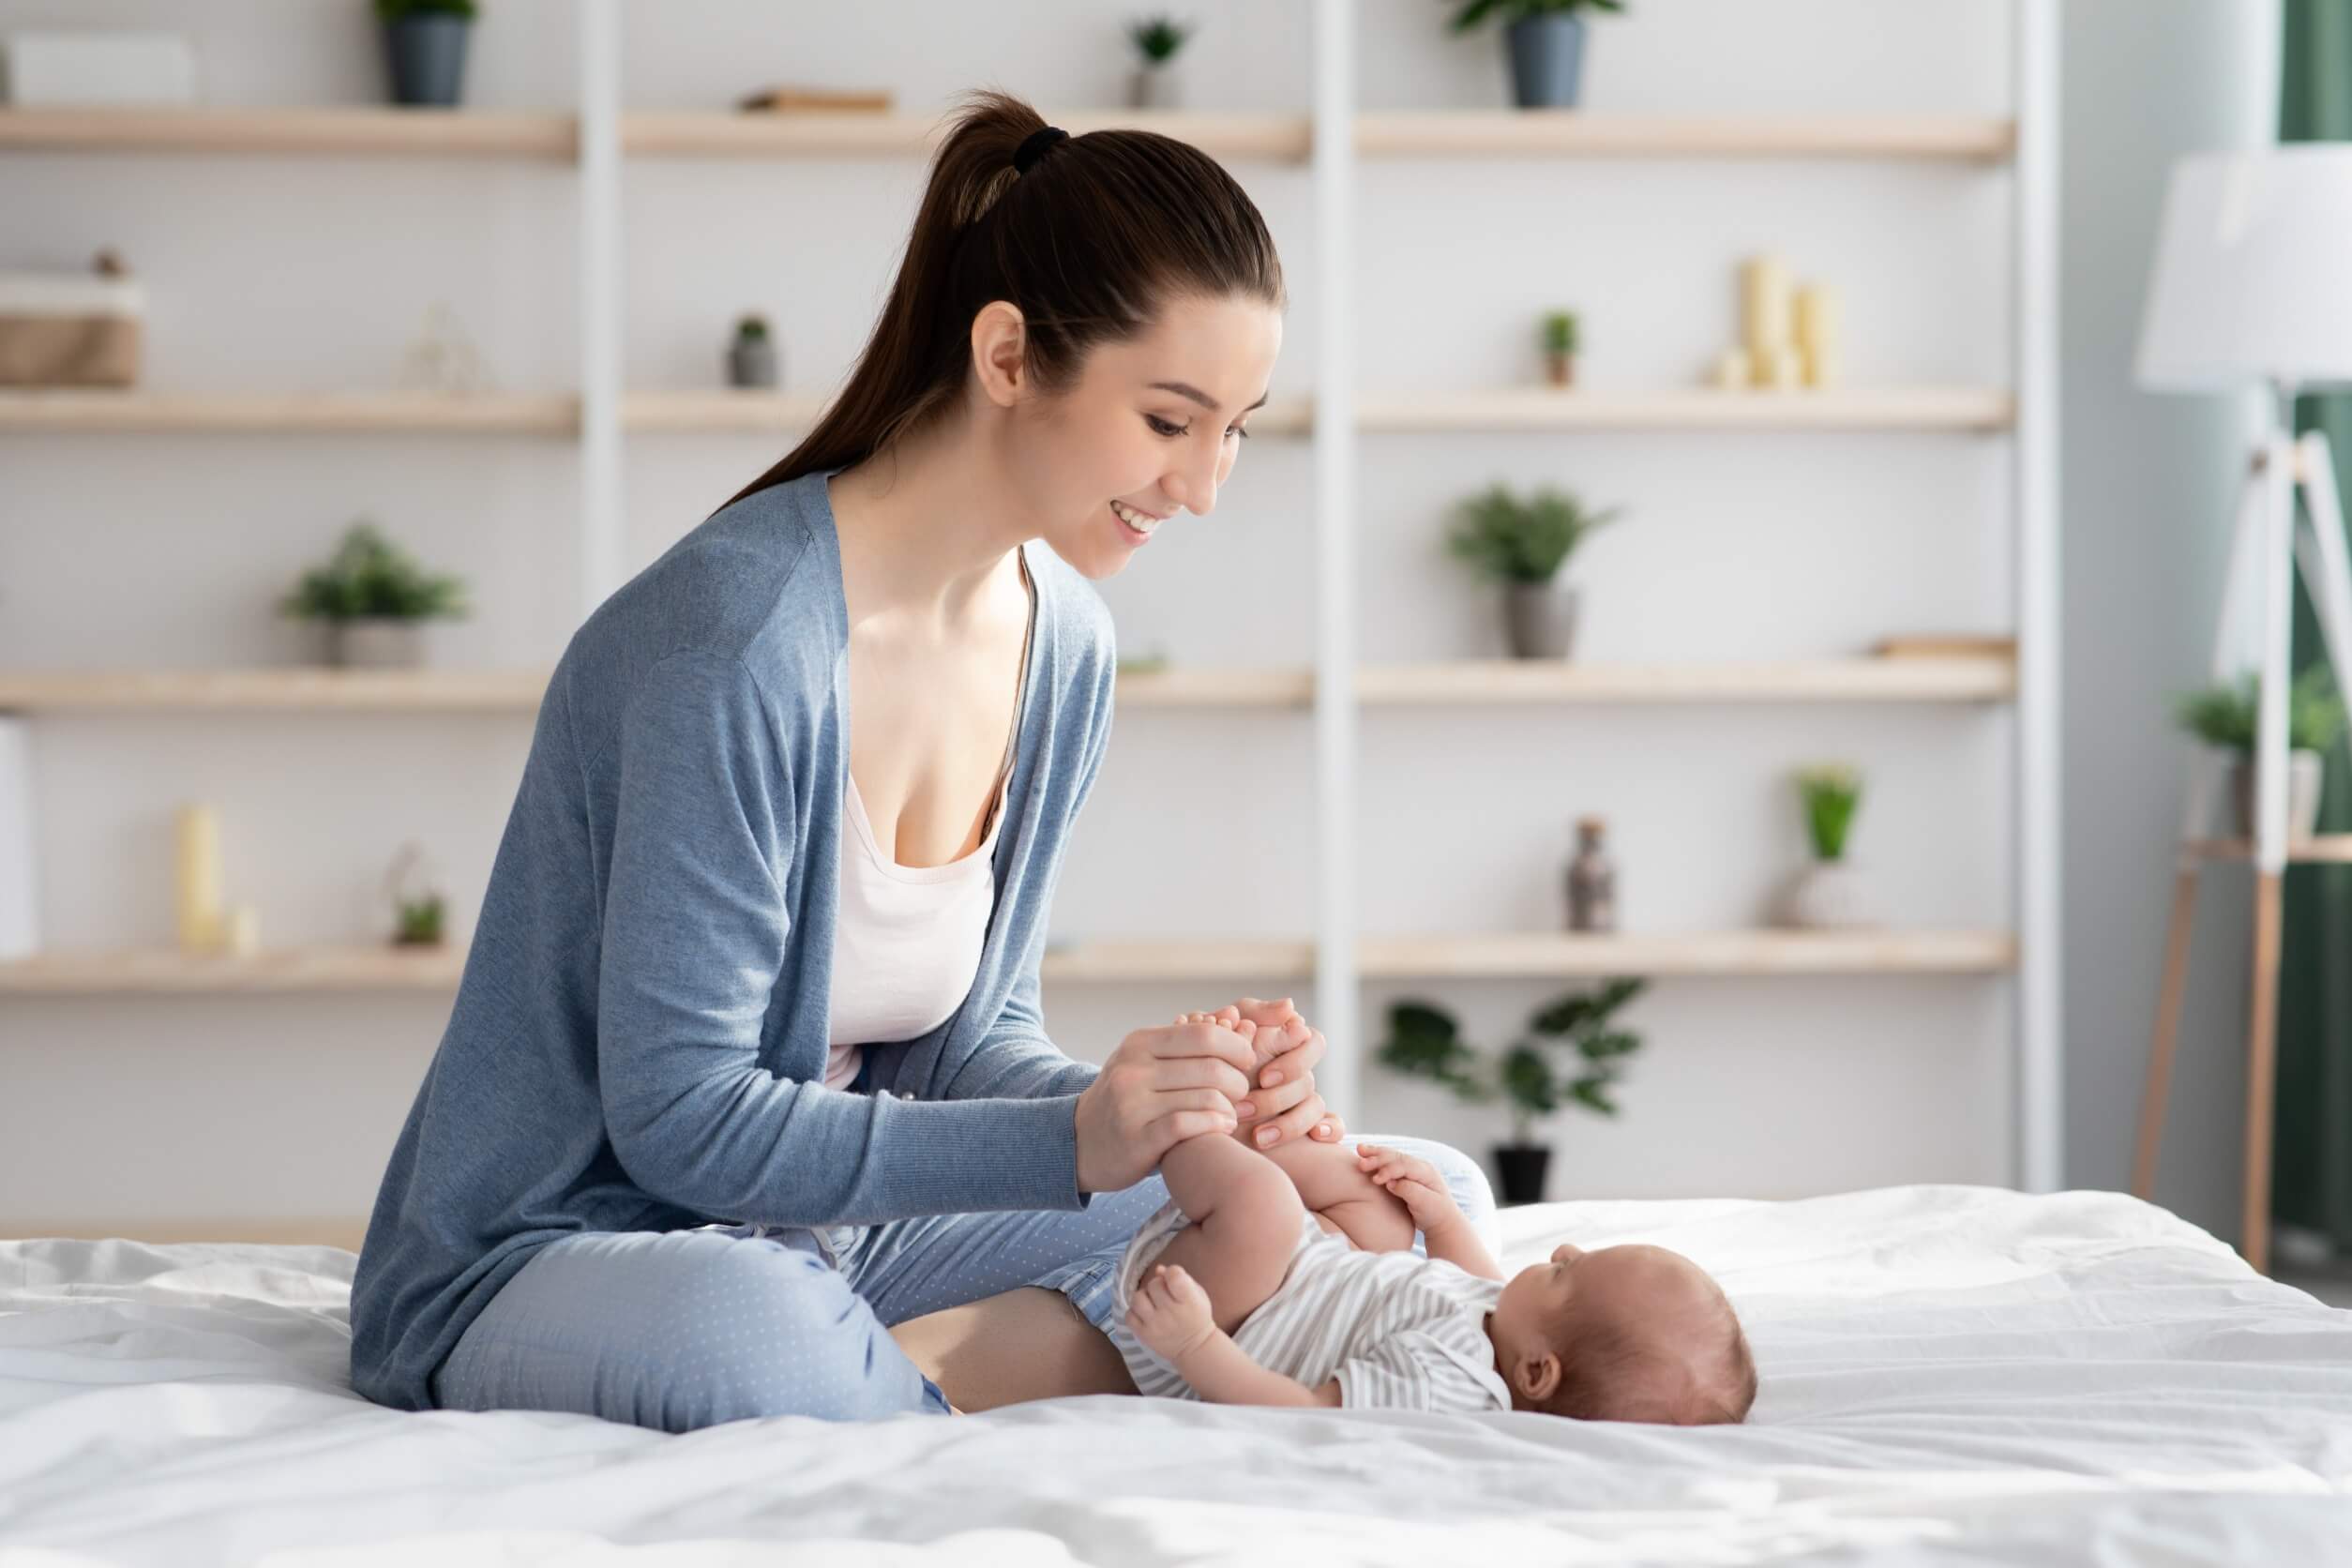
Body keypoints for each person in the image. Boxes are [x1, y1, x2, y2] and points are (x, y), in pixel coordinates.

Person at [345, 89, 1496, 1431]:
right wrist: (1080, 1139)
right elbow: (680, 1123)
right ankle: (975, 1379)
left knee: (1416, 1187)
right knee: (755, 1329)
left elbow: (968, 1045)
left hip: (844, 1231)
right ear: (1008, 356)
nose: (1204, 486)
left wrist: (1186, 1114)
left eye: (1235, 427)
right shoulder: (735, 646)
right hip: (575, 1247)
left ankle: (923, 1369)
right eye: (1171, 421)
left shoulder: (1063, 640)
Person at [1113, 1024, 1756, 1425]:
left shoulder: (1449, 1386)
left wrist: (1194, 1345)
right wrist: (1439, 1213)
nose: (1563, 1248)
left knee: (1267, 1210)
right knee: (1381, 1206)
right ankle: (1254, 1129)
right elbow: (1464, 1273)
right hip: (1300, 1281)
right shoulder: (1506, 1324)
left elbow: (1306, 1413)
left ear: (1536, 1374)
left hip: (1219, 1327)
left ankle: (1187, 1119)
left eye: (1567, 1272)